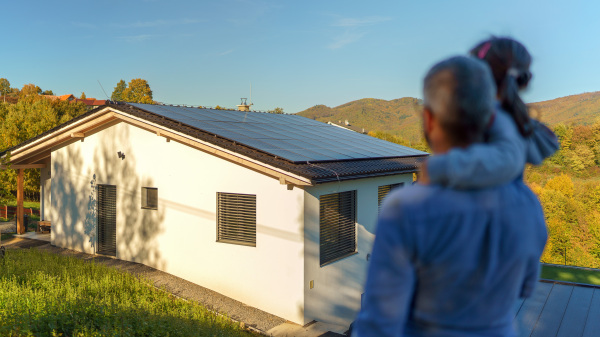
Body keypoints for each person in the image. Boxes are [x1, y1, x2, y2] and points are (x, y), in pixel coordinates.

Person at [351, 56, 547, 337]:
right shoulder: (529, 204)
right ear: (490, 120)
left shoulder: (407, 208)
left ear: (429, 120)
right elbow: (526, 288)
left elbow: (379, 325)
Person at [419, 37, 559, 188]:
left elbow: (506, 159)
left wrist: (438, 168)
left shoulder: (498, 117)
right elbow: (544, 143)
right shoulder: (512, 118)